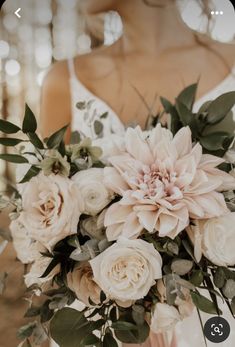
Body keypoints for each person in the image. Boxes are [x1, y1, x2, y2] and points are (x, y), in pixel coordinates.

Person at [40, 1, 235, 346]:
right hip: (104, 324)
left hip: (211, 318)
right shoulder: (63, 81)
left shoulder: (230, 62)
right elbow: (47, 224)